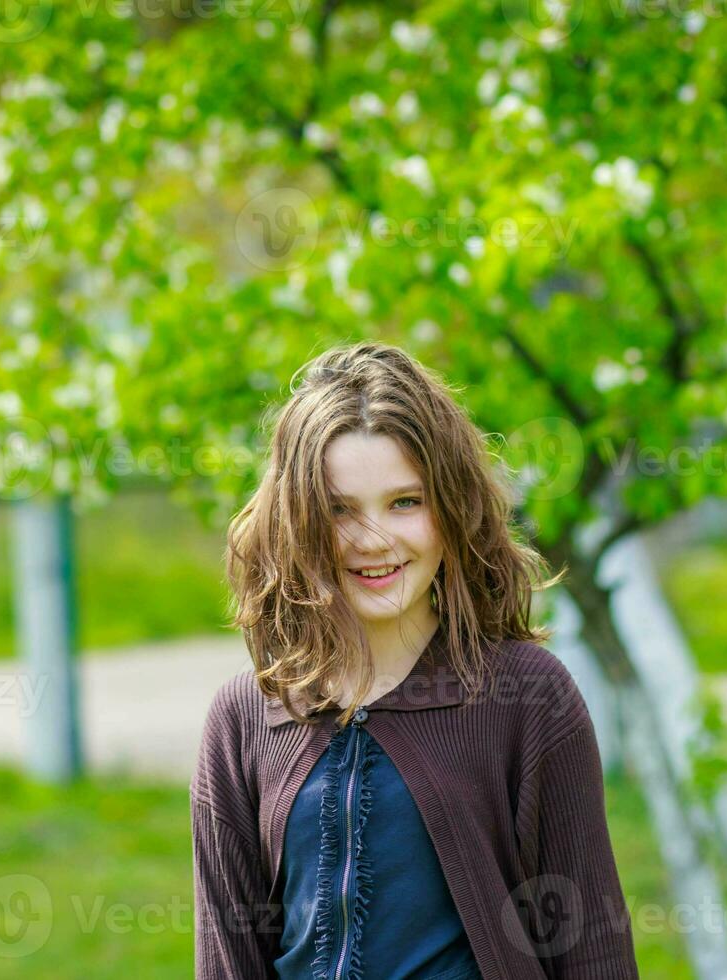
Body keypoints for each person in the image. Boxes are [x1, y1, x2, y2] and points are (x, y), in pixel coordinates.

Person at [192, 341, 639, 979]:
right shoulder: (242, 720)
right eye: (338, 509)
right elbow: (227, 964)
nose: (374, 541)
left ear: (451, 510)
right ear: (296, 521)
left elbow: (593, 953)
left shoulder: (529, 697)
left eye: (406, 502)